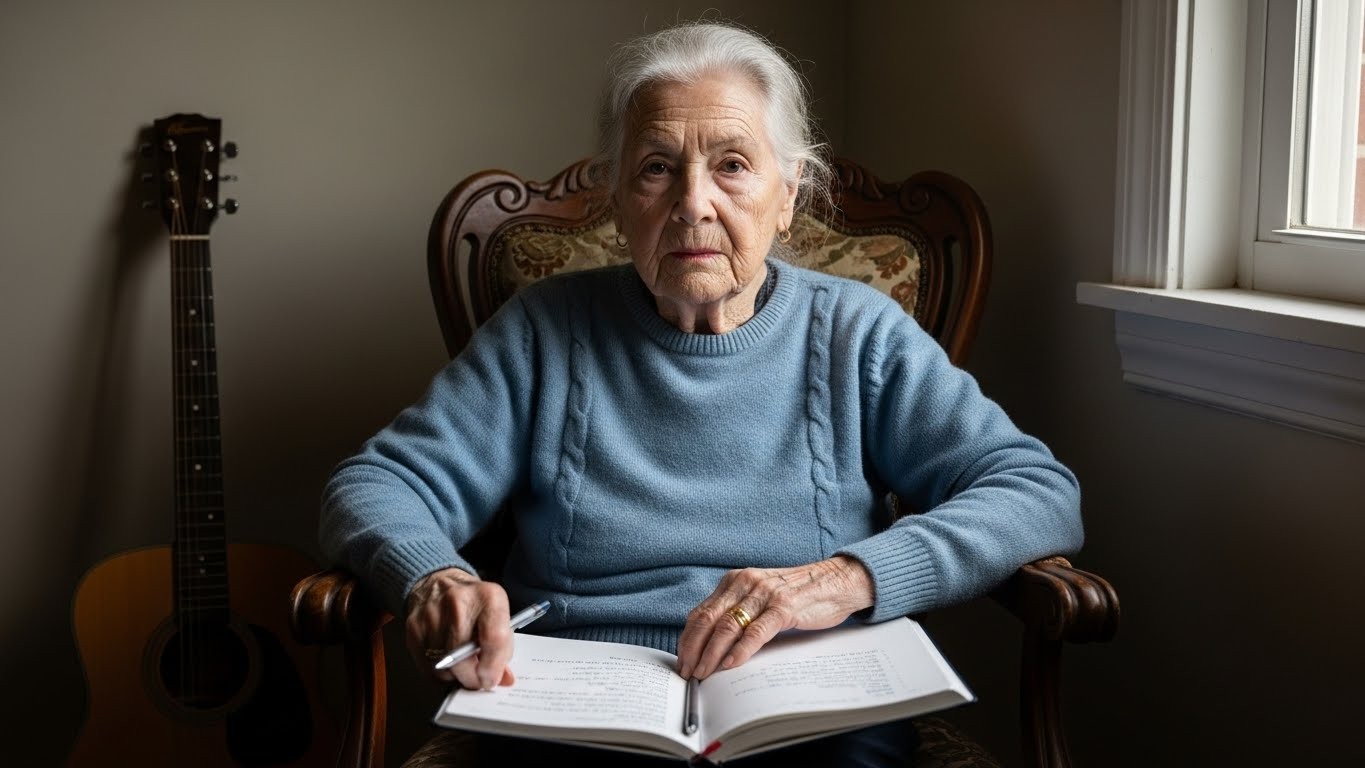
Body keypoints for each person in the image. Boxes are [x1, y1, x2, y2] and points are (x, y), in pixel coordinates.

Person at [320, 20, 1082, 768]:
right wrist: (434, 576)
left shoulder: (857, 331)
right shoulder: (544, 330)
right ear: (617, 198)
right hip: (578, 694)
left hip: (807, 694)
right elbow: (378, 482)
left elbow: (1035, 492)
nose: (692, 203)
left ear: (787, 194)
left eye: (732, 165)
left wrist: (849, 578)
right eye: (656, 168)